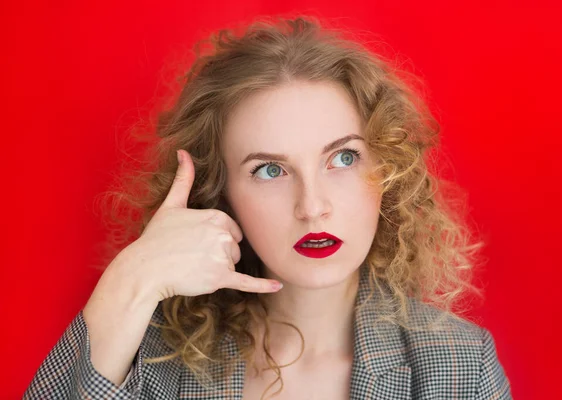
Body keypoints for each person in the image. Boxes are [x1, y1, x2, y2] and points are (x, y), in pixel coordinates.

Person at [24, 15, 512, 399]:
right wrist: (129, 280)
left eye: (342, 158)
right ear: (220, 195)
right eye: (270, 170)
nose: (312, 206)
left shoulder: (458, 365)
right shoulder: (150, 359)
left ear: (389, 169)